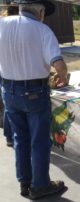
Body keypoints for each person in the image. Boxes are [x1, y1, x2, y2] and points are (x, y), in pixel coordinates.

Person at [0, 0, 68, 199]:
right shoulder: (42, 30)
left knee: (20, 139)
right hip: (34, 91)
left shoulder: (2, 24)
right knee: (39, 141)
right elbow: (59, 65)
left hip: (8, 90)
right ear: (40, 10)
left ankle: (25, 182)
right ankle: (40, 186)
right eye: (44, 12)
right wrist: (62, 74)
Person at [0, 3, 19, 147]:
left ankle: (10, 136)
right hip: (8, 72)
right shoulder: (15, 27)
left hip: (5, 70)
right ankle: (10, 136)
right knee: (10, 105)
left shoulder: (3, 26)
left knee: (9, 105)